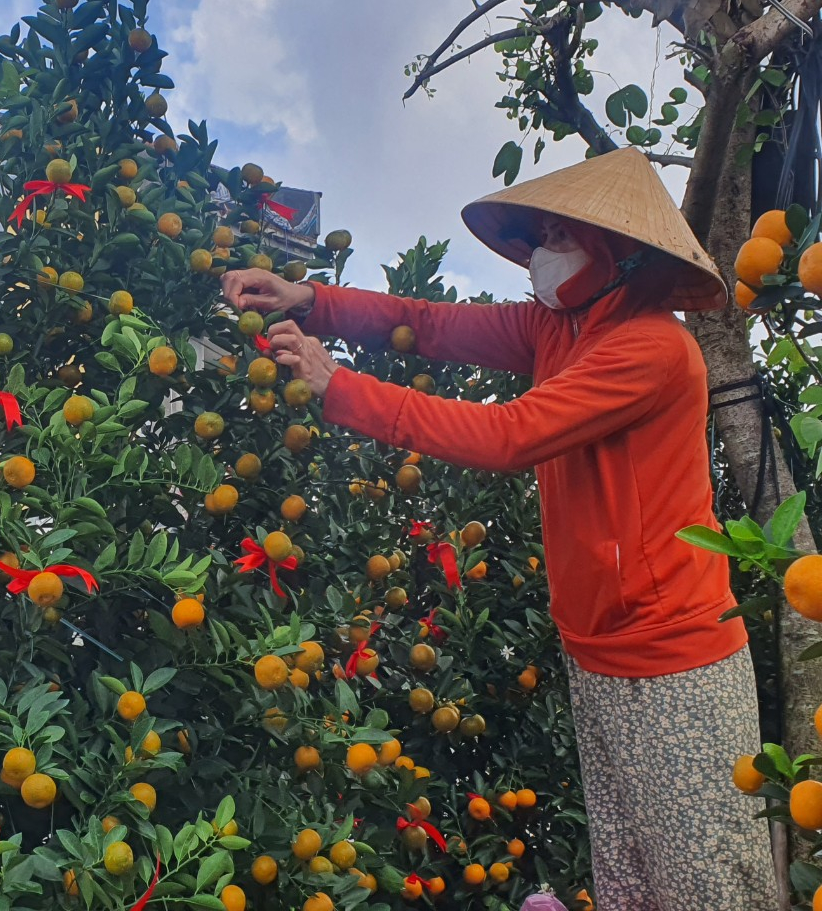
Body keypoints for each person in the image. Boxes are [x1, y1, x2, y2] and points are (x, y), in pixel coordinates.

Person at [221, 148, 777, 911]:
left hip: (673, 655)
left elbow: (508, 436)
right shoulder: (560, 327)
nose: (540, 258)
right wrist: (309, 299)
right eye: (542, 236)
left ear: (618, 254)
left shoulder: (650, 349)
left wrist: (337, 387)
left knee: (710, 885)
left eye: (559, 238)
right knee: (633, 877)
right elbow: (428, 324)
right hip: (599, 649)